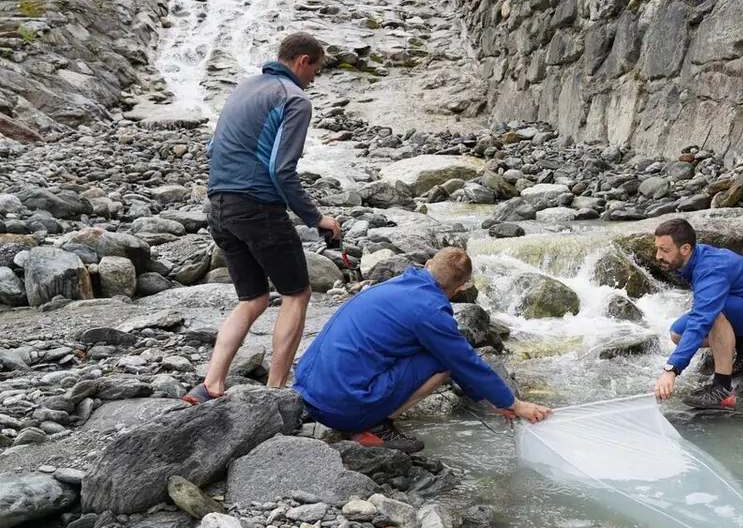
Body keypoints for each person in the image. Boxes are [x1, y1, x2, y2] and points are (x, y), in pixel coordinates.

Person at [185, 32, 342, 405]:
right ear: (303, 61)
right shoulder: (294, 99)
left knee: (253, 299)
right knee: (297, 294)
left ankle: (211, 384)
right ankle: (276, 392)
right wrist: (316, 218)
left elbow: (213, 148)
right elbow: (281, 169)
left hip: (219, 206)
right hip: (258, 208)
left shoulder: (243, 89)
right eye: (316, 69)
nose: (314, 78)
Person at [293, 247, 552, 453]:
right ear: (459, 288)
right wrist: (513, 403)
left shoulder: (394, 284)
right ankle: (375, 426)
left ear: (428, 264)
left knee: (437, 350)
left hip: (308, 393)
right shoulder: (430, 310)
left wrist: (488, 399)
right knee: (442, 360)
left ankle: (361, 413)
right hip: (340, 408)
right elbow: (463, 361)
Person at [652, 218, 743, 409]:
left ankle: (722, 390)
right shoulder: (694, 257)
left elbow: (702, 319)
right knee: (677, 333)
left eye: (664, 250)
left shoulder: (711, 269)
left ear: (685, 249)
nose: (658, 256)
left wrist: (671, 370)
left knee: (714, 313)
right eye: (657, 248)